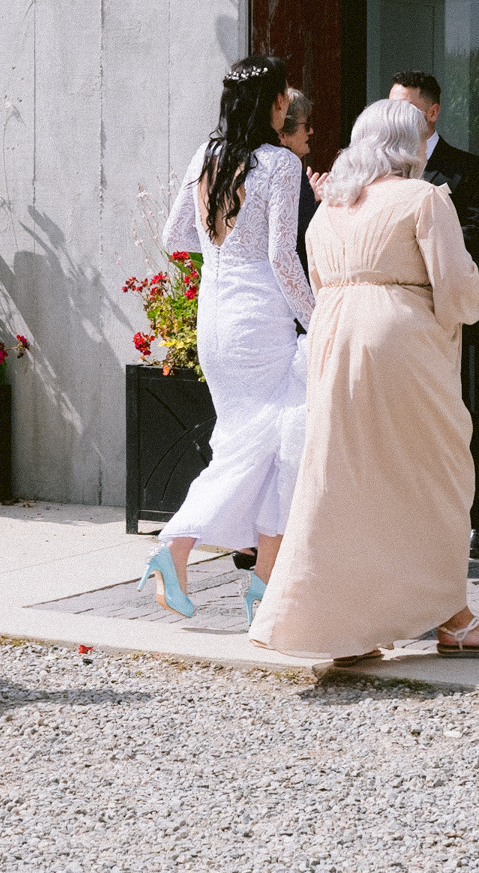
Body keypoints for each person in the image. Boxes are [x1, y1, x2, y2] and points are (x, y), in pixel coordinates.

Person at [251, 98, 479, 665]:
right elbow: (457, 291)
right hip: (402, 346)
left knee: (346, 481)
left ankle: (344, 627)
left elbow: (319, 281)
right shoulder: (424, 199)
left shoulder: (331, 207)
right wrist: (466, 308)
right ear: (407, 144)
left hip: (333, 344)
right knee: (437, 473)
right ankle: (454, 618)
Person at [148, 55, 314, 625]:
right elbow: (281, 259)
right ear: (274, 105)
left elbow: (174, 235)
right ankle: (177, 545)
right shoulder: (280, 165)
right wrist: (321, 322)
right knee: (272, 439)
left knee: (267, 446)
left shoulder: (206, 156)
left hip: (214, 317)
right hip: (259, 320)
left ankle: (264, 585)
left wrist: (222, 253)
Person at [387, 71, 479, 558]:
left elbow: (473, 242)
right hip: (394, 317)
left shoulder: (468, 169)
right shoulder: (380, 169)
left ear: (432, 113)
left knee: (456, 416)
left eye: (406, 107)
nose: (396, 117)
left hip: (442, 311)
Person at [278, 87, 326, 285]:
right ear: (284, 133)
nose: (311, 131)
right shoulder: (288, 167)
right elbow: (306, 235)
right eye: (306, 125)